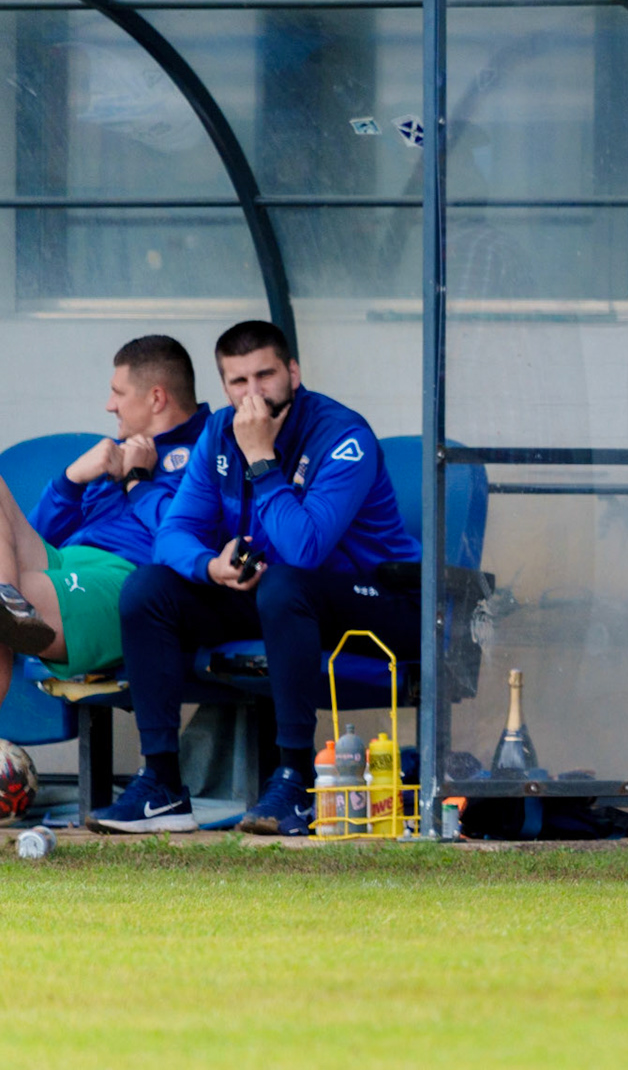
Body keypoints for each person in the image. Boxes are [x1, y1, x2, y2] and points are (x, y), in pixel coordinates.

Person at [91, 321, 421, 836]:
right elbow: (174, 532)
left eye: (265, 376)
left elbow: (304, 549)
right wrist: (210, 566)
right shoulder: (218, 433)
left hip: (378, 601)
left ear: (293, 372)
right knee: (149, 589)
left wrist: (261, 459)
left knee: (286, 583)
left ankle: (294, 780)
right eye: (238, 382)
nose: (253, 394)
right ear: (223, 387)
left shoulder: (343, 435)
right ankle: (160, 784)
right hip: (277, 597)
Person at [0, 336, 209, 707]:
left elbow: (185, 540)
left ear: (157, 398)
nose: (109, 405)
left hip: (125, 578)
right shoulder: (115, 451)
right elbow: (28, 538)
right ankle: (7, 599)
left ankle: (7, 603)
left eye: (118, 392)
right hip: (65, 563)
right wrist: (72, 479)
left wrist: (138, 483)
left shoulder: (211, 451)